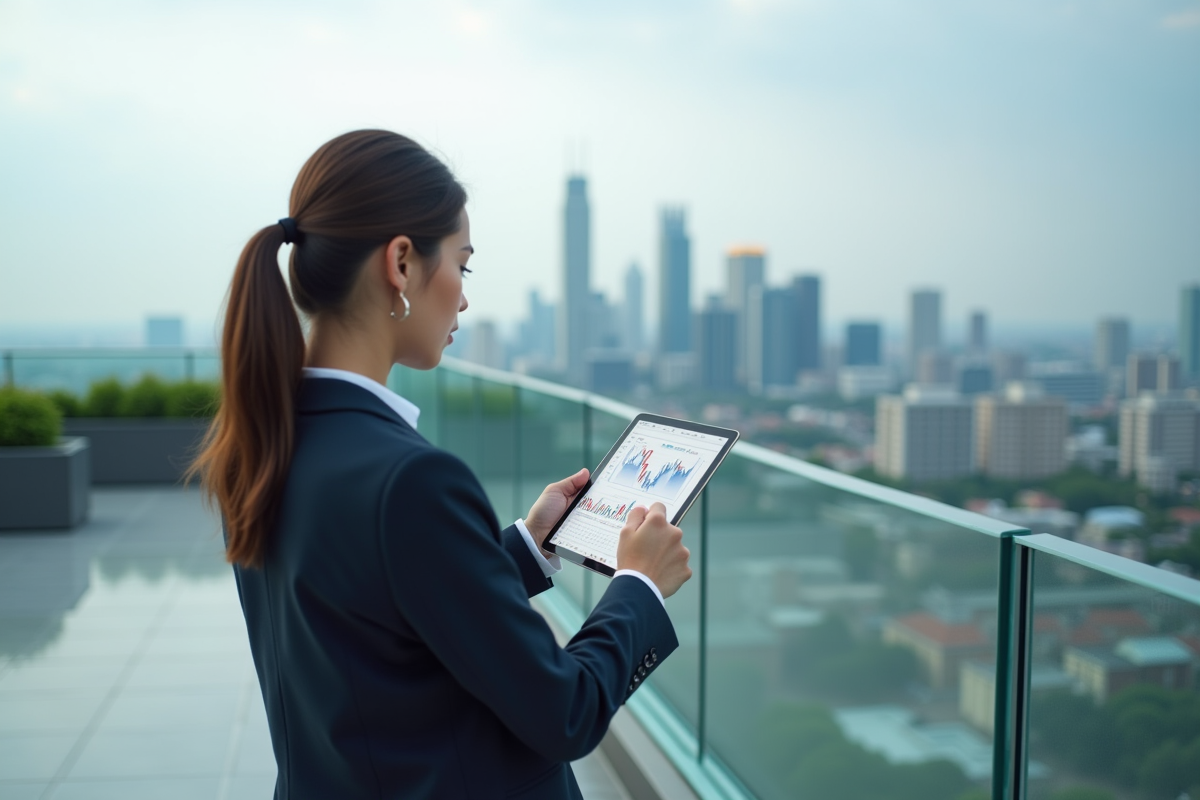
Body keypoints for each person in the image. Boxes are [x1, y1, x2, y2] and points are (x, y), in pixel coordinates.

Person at [190, 129, 692, 800]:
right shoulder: (410, 481)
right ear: (400, 263)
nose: (462, 297)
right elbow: (564, 713)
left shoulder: (259, 443)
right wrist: (639, 586)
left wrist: (524, 548)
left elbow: (372, 612)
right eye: (463, 264)